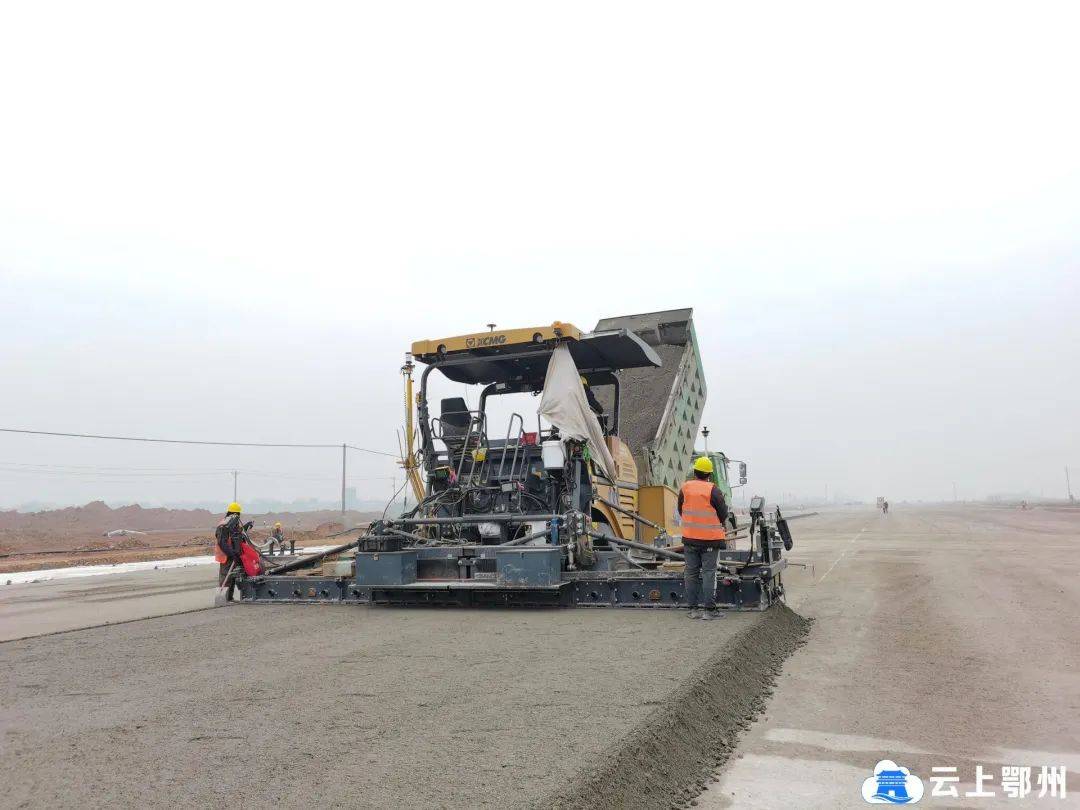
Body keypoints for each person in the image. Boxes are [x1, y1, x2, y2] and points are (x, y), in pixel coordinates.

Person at [679, 456, 729, 620]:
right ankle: (709, 611)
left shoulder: (685, 488)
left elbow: (681, 510)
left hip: (689, 539)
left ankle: (693, 610)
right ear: (709, 474)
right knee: (709, 573)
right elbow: (723, 514)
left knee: (691, 573)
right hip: (709, 540)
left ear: (694, 472)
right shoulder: (713, 490)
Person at [214, 501, 247, 601]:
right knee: (226, 577)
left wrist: (245, 527)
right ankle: (224, 598)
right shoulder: (224, 525)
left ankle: (229, 597)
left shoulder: (232, 523)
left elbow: (236, 534)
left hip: (233, 554)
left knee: (232, 577)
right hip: (226, 556)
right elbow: (222, 542)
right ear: (235, 513)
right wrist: (231, 553)